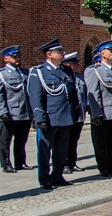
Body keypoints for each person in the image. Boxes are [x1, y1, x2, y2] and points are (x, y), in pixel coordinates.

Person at [27, 39, 78, 190]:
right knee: (45, 150)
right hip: (49, 117)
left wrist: (74, 114)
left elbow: (72, 95)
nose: (63, 54)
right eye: (59, 52)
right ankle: (44, 178)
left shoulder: (66, 70)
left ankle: (57, 175)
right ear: (49, 54)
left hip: (65, 117)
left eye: (63, 51)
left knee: (61, 150)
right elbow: (36, 97)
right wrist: (40, 118)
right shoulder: (39, 72)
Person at [85, 39, 112, 177]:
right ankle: (103, 166)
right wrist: (96, 114)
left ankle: (111, 163)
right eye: (111, 51)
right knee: (100, 142)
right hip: (103, 112)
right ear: (102, 53)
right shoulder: (95, 71)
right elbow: (94, 93)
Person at [0, 45, 33, 174]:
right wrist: (2, 111)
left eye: (19, 56)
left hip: (25, 112)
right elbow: (1, 95)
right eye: (14, 57)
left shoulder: (26, 73)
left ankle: (20, 162)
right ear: (6, 58)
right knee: (5, 141)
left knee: (21, 139)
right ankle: (6, 164)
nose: (18, 59)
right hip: (10, 112)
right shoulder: (2, 74)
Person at [62, 52, 87, 174]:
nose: (77, 65)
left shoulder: (80, 77)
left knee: (74, 140)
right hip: (68, 115)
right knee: (65, 140)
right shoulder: (64, 77)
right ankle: (65, 164)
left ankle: (72, 162)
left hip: (79, 114)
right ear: (68, 65)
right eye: (75, 64)